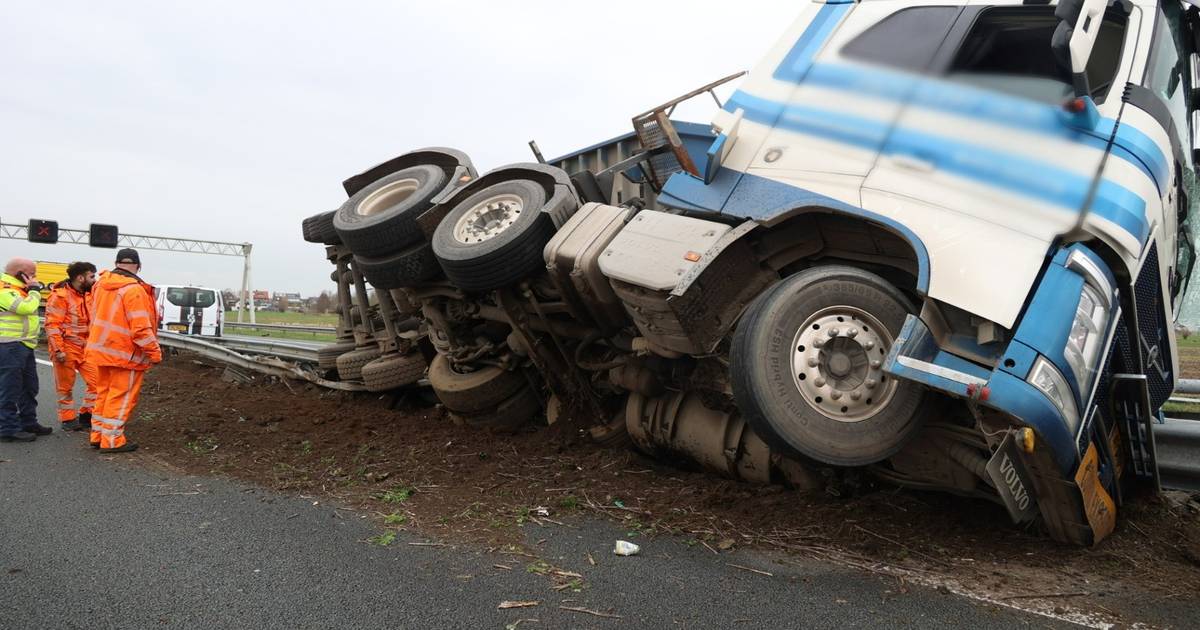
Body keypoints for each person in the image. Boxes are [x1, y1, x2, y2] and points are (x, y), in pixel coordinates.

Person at [85, 249, 161, 453]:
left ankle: (98, 435)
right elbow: (140, 328)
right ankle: (112, 441)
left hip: (101, 350)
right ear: (139, 266)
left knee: (103, 394)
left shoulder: (100, 285)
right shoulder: (134, 290)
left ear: (116, 263)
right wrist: (154, 353)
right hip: (126, 354)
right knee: (120, 397)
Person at [0, 258, 52, 442]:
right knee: (9, 389)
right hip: (9, 345)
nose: (34, 277)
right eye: (32, 273)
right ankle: (7, 428)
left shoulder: (20, 289)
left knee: (29, 387)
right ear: (20, 273)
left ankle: (28, 422)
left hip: (24, 344)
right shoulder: (5, 289)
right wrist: (35, 290)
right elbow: (25, 308)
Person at [46, 261, 100, 432]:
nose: (94, 280)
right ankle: (67, 419)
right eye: (92, 276)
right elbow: (52, 325)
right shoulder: (60, 296)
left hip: (87, 348)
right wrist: (58, 350)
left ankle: (86, 414)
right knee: (65, 388)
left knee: (98, 383)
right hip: (66, 348)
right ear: (80, 278)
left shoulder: (89, 295)